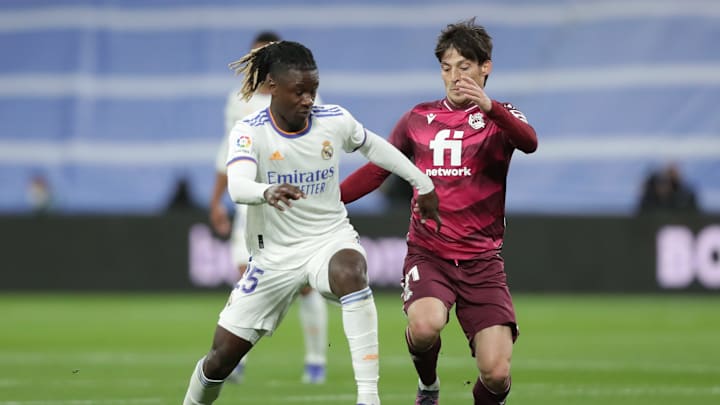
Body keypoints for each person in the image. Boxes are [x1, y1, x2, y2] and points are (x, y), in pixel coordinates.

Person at [183, 40, 441, 405]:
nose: (308, 99)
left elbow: (375, 147)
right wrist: (266, 190)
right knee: (220, 359)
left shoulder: (333, 119)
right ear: (272, 86)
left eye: (313, 90)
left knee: (352, 270)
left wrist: (422, 182)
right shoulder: (249, 131)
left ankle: (369, 398)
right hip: (273, 257)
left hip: (327, 239)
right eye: (299, 91)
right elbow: (238, 185)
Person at [341, 18, 538, 405]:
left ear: (486, 68)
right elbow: (379, 169)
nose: (454, 76)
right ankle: (428, 386)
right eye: (447, 68)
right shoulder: (418, 118)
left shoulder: (502, 116)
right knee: (427, 325)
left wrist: (490, 107)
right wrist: (328, 199)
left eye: (464, 66)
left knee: (496, 375)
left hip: (482, 261)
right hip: (430, 253)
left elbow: (529, 142)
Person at [208, 30, 329, 385]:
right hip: (253, 200)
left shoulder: (304, 95)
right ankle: (235, 360)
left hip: (294, 202)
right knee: (247, 279)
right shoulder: (239, 101)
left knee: (305, 284)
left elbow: (323, 146)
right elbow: (228, 152)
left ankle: (316, 362)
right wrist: (216, 200)